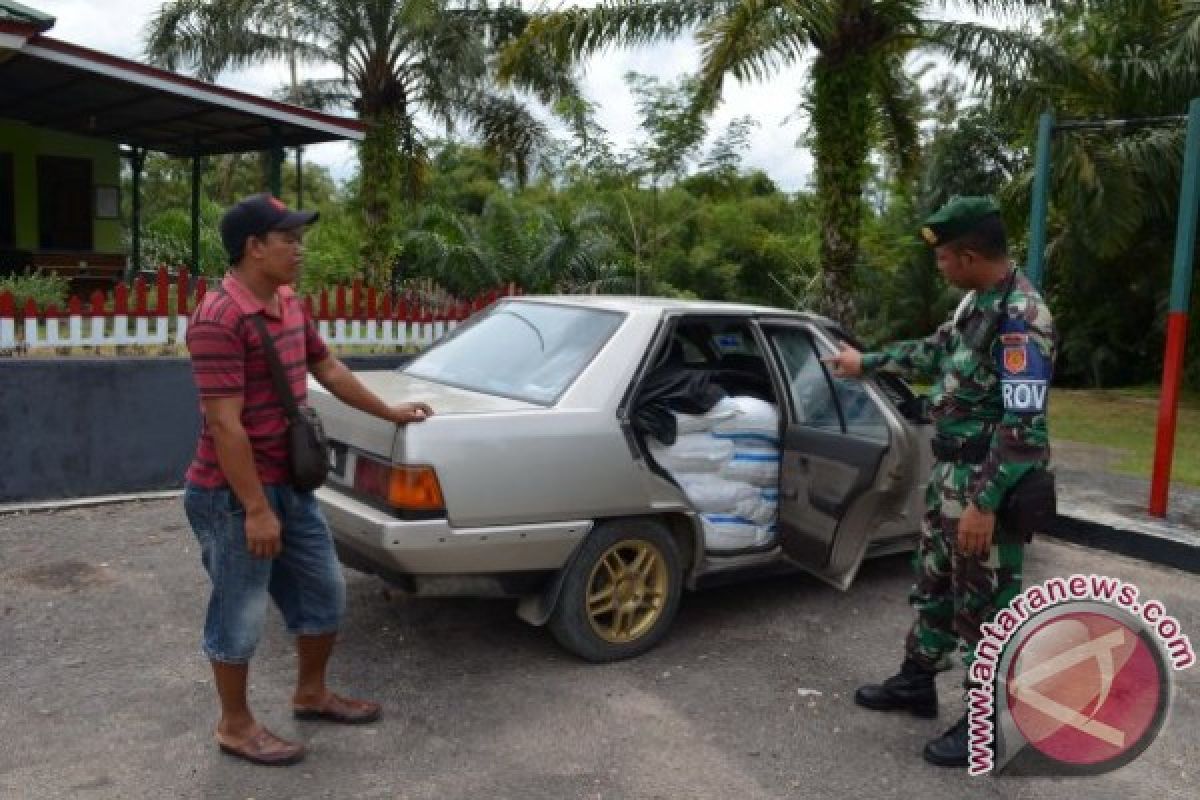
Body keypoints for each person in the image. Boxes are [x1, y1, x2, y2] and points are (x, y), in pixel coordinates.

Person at [182, 193, 434, 766]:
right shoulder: (219, 318)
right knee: (239, 610)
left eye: (299, 238)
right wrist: (254, 508)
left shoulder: (290, 303)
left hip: (290, 485)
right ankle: (234, 724)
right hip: (233, 494)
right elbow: (225, 426)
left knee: (325, 592)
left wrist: (389, 412)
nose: (300, 249)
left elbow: (330, 369)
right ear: (254, 247)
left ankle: (312, 692)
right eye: (288, 239)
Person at [824, 196, 1056, 768]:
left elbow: (1024, 427)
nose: (940, 267)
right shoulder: (973, 304)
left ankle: (992, 726)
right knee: (934, 585)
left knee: (986, 605)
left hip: (987, 485)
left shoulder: (1022, 316)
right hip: (951, 474)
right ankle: (916, 681)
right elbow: (935, 354)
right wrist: (868, 361)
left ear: (970, 255)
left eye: (945, 258)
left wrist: (984, 503)